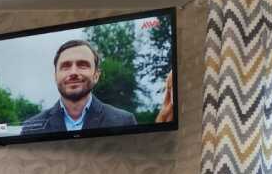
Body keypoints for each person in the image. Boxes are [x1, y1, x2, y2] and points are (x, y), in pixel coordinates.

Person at [20, 39, 164, 134]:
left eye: (82, 65)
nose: (73, 72)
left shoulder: (124, 121)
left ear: (96, 75)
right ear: (55, 76)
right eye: (66, 66)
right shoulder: (31, 127)